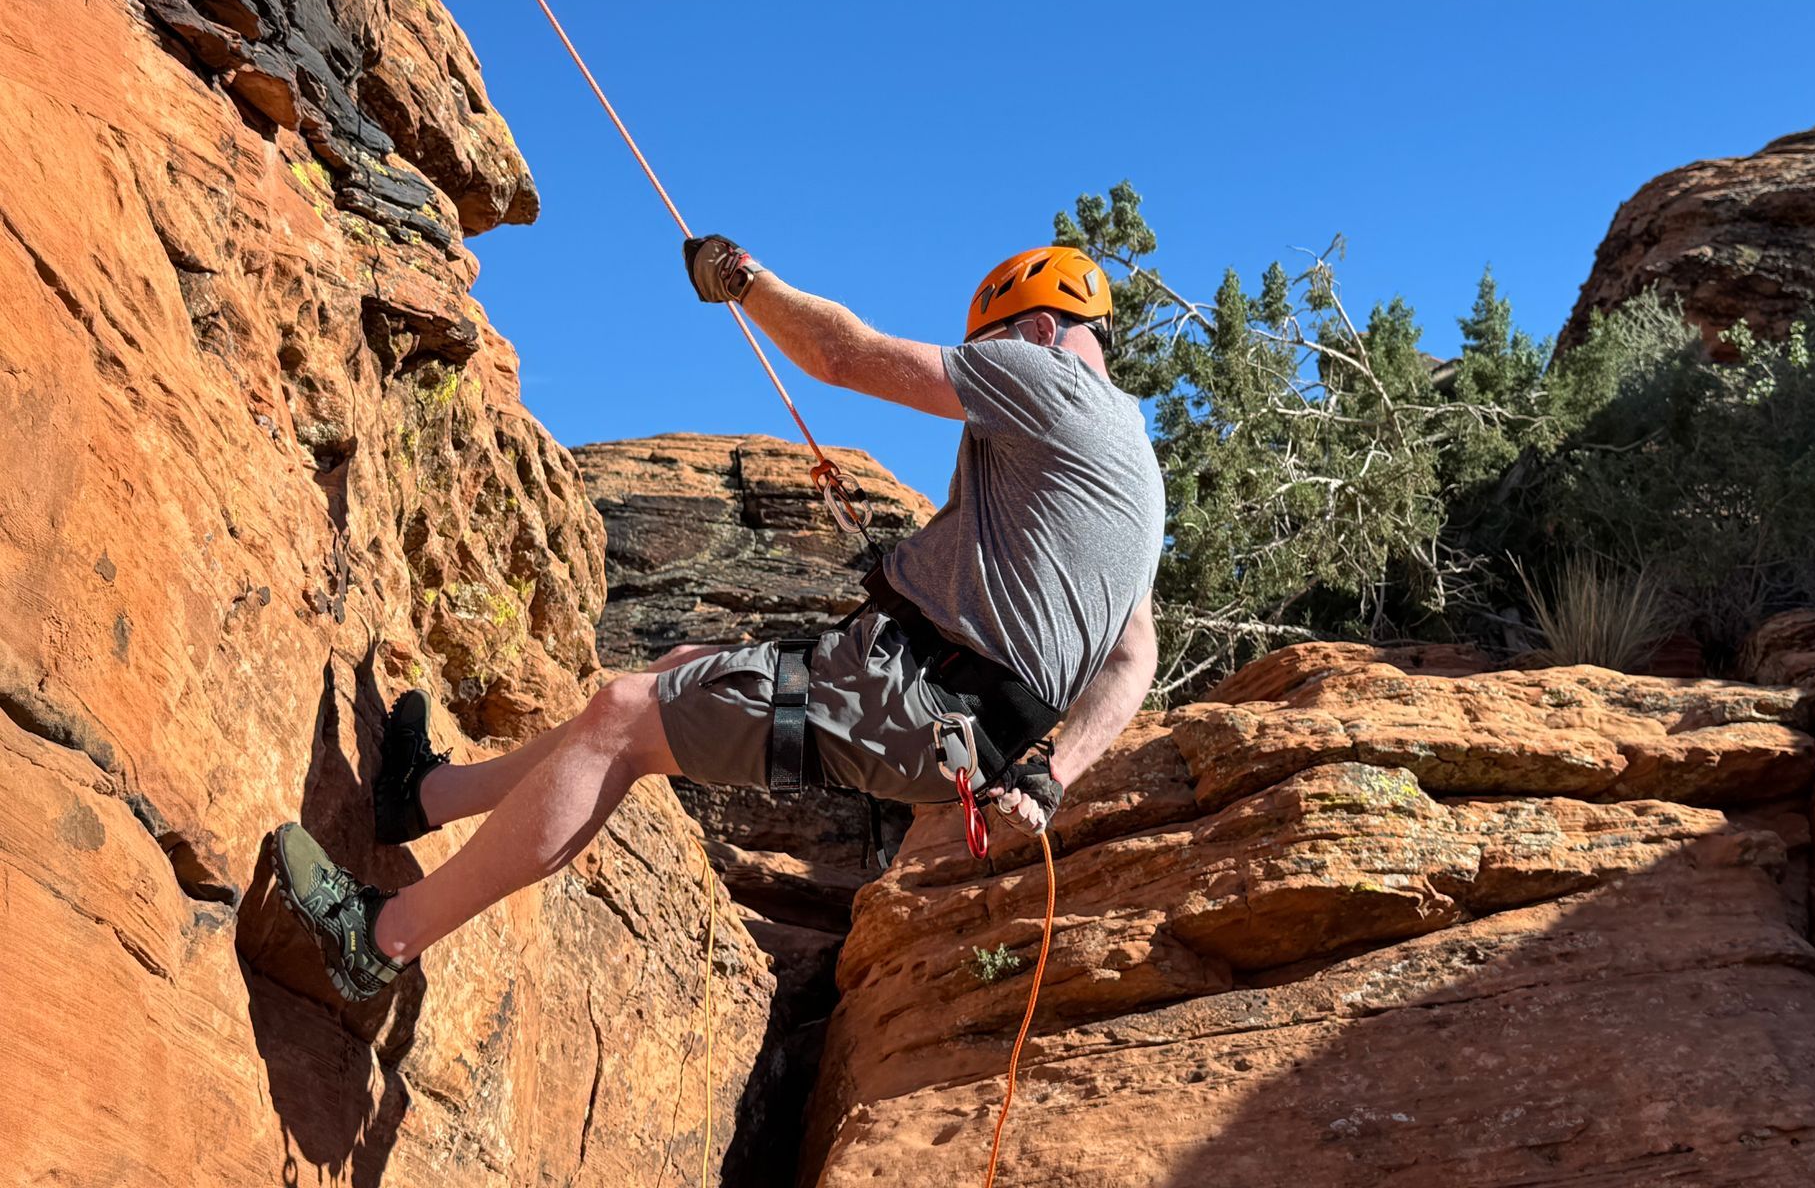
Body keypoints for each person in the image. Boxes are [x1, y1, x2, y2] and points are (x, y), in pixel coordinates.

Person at [272, 241, 1166, 1002]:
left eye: (995, 345)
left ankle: (378, 938)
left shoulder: (1049, 379)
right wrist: (1054, 774)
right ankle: (422, 798)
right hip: (945, 726)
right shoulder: (1141, 480)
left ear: (1041, 331)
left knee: (624, 720)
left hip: (904, 695)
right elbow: (1134, 655)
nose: (987, 371)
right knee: (678, 674)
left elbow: (844, 356)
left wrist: (744, 280)